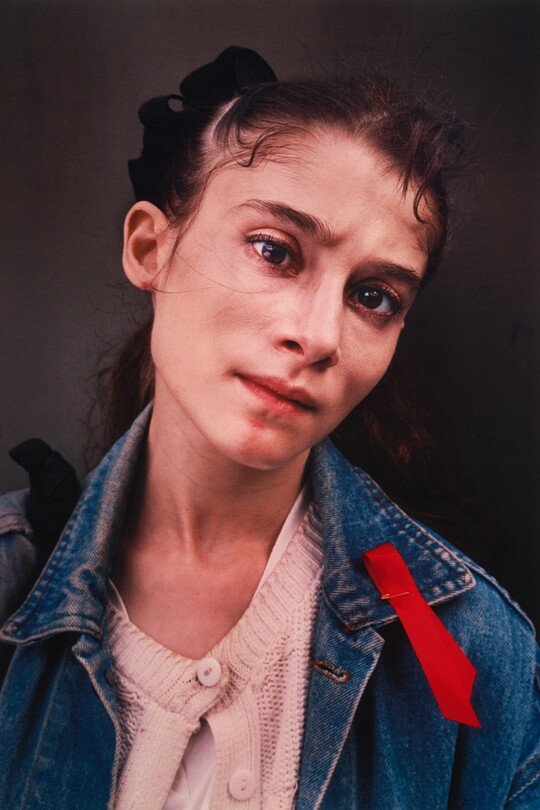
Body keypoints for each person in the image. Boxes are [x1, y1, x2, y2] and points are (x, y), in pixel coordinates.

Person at [0, 46, 538, 810]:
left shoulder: (471, 652)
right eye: (274, 251)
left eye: (375, 297)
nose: (319, 335)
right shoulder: (11, 586)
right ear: (151, 248)